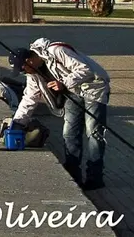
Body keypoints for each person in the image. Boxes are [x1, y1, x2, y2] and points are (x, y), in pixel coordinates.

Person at [7, 38, 112, 190]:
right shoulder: (33, 75)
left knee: (94, 133)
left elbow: (85, 70)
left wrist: (63, 83)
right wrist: (17, 123)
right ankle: (72, 173)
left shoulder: (57, 51)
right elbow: (29, 98)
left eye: (23, 69)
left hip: (94, 89)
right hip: (72, 93)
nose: (24, 73)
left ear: (30, 61)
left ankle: (95, 177)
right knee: (69, 132)